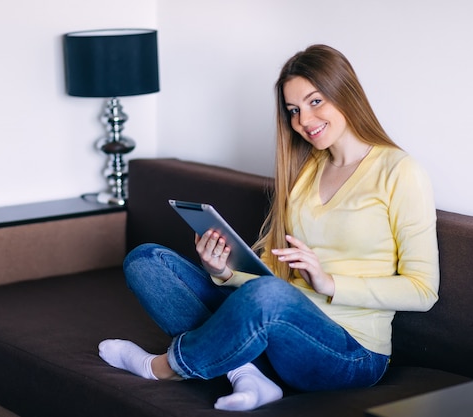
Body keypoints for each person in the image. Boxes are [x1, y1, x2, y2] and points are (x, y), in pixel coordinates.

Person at [98, 44, 439, 412]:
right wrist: (224, 272)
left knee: (271, 297)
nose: (304, 120)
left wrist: (329, 284)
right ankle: (248, 373)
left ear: (345, 92)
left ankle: (165, 367)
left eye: (314, 101)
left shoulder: (400, 171)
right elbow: (273, 279)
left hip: (350, 353)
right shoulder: (305, 171)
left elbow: (423, 292)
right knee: (146, 260)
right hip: (277, 331)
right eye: (293, 110)